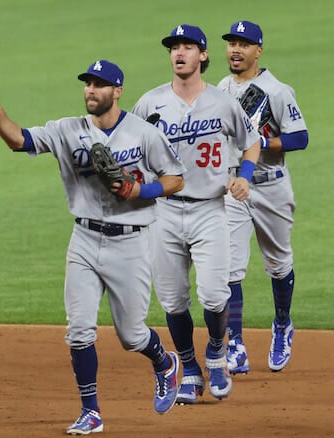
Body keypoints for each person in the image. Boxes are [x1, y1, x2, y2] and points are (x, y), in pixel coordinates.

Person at [0, 60, 186, 435]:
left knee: (131, 336)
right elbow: (18, 140)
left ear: (117, 91)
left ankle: (163, 362)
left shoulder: (143, 133)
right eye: (88, 83)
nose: (91, 89)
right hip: (85, 240)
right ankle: (91, 411)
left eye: (99, 85)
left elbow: (176, 179)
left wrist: (141, 190)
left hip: (132, 242)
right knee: (79, 331)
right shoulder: (66, 130)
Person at [132, 24, 261, 405]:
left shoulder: (222, 102)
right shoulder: (150, 103)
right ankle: (189, 368)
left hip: (210, 211)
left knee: (215, 296)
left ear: (202, 55)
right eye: (174, 47)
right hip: (164, 214)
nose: (179, 52)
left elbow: (251, 142)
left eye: (188, 47)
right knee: (173, 302)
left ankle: (217, 352)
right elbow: (129, 149)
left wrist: (245, 177)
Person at [217, 20, 309, 373]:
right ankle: (236, 344)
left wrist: (260, 140)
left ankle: (282, 324)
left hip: (272, 185)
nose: (236, 50)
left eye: (244, 44)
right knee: (229, 267)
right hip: (234, 187)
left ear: (258, 50)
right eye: (232, 43)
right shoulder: (221, 88)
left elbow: (300, 137)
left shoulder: (277, 91)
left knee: (279, 264)